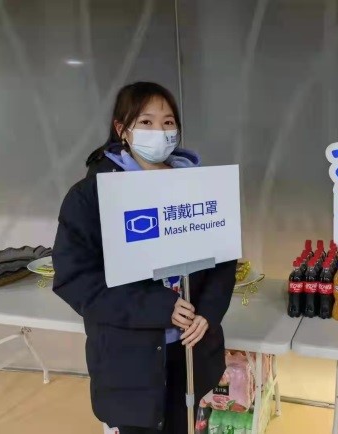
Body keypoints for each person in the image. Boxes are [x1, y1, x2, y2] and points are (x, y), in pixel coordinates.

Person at [52, 82, 236, 434]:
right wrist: (159, 307)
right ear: (122, 129)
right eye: (146, 122)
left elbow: (224, 259)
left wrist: (209, 312)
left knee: (185, 422)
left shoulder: (199, 185)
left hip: (190, 352)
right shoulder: (91, 196)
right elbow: (76, 280)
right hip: (129, 362)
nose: (160, 131)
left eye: (168, 122)